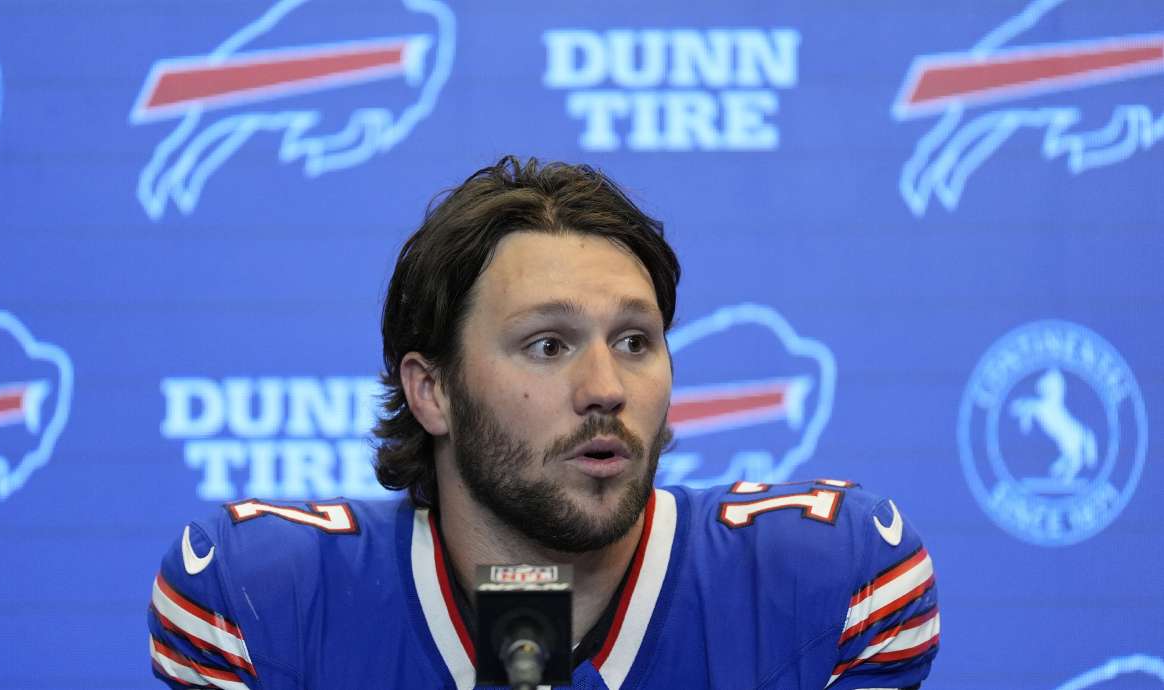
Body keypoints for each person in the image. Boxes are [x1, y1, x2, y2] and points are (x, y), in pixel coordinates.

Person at [147, 156, 940, 689]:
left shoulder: (829, 584)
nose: (605, 388)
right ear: (433, 392)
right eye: (548, 344)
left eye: (635, 341)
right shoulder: (261, 602)